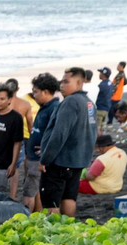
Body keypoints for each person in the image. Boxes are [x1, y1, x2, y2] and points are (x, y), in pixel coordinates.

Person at [38, 67, 97, 217]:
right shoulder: (89, 103)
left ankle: (53, 231)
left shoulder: (70, 102)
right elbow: (92, 133)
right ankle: (68, 229)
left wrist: (45, 158)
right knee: (69, 197)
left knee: (51, 201)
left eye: (66, 82)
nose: (62, 85)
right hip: (78, 161)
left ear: (78, 83)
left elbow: (59, 134)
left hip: (61, 161)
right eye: (61, 81)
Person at [24, 73, 60, 211]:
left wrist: (45, 152)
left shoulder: (54, 108)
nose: (35, 95)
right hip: (33, 156)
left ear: (45, 92)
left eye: (36, 92)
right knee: (36, 189)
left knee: (29, 191)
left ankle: (26, 217)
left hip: (39, 158)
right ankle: (37, 215)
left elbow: (56, 132)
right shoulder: (45, 106)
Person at [5, 78, 34, 200]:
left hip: (4, 137)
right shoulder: (25, 104)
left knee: (1, 166)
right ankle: (12, 196)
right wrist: (33, 139)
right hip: (18, 137)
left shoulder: (3, 102)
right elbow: (30, 124)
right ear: (17, 89)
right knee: (14, 168)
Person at [95, 67, 114, 132]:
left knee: (97, 126)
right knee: (101, 126)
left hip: (100, 108)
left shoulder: (102, 85)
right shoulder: (110, 83)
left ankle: (98, 140)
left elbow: (96, 95)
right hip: (106, 107)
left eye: (100, 73)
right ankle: (101, 139)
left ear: (103, 74)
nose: (99, 74)